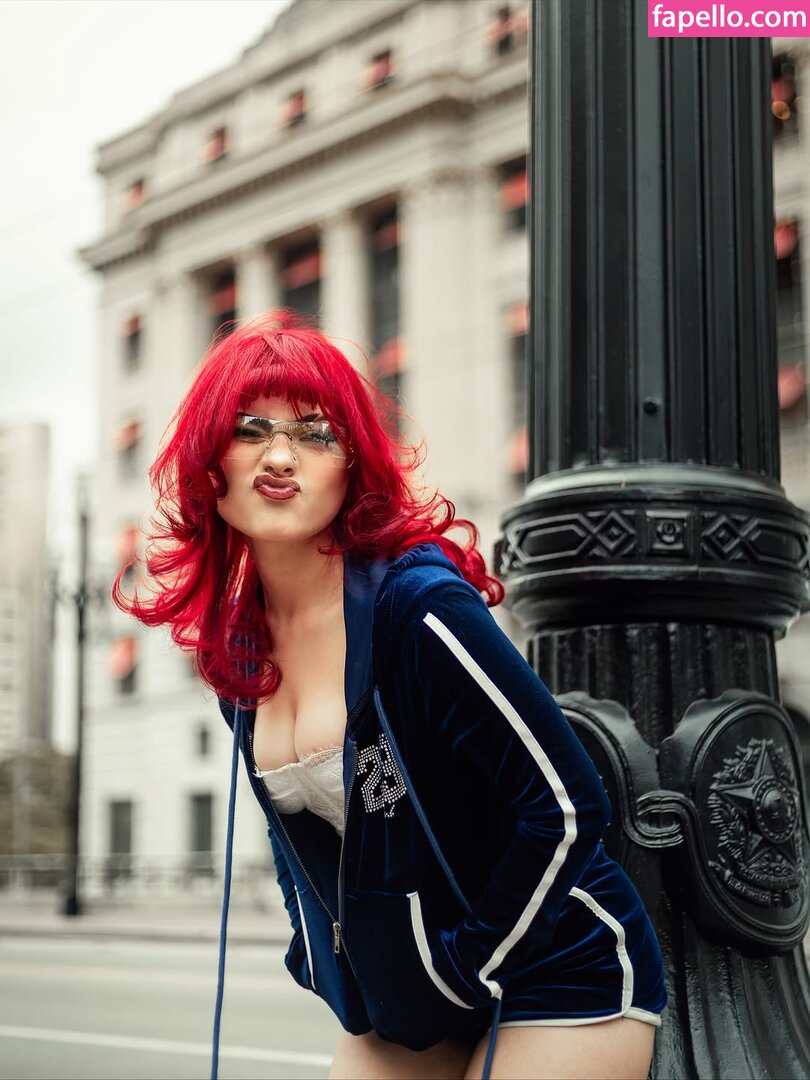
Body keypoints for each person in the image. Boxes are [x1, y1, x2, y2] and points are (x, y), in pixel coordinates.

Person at [114, 311, 667, 1080]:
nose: (281, 457)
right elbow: (292, 841)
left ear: (351, 467)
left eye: (317, 435)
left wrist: (464, 969)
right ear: (210, 463)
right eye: (250, 431)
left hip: (560, 965)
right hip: (413, 996)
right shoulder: (238, 655)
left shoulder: (417, 609)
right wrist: (322, 960)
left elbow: (568, 809)